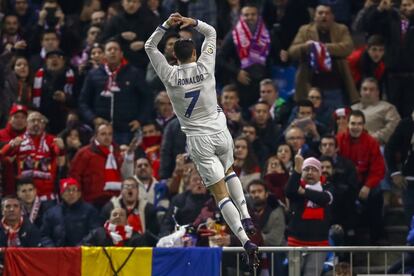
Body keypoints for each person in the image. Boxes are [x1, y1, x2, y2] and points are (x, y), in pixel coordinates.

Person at [145, 13, 259, 268]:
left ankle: (244, 240)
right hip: (219, 131)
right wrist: (191, 21)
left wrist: (166, 25)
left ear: (174, 57)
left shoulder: (170, 76)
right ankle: (247, 216)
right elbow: (212, 33)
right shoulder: (205, 66)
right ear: (194, 53)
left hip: (198, 139)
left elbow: (149, 46)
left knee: (220, 194)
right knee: (230, 172)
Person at [337, 110, 386, 244]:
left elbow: (378, 168)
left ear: (364, 125)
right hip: (346, 182)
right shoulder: (339, 139)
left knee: (376, 192)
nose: (355, 127)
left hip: (365, 182)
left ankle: (377, 237)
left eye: (359, 124)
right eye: (353, 123)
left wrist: (368, 185)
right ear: (348, 124)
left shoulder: (371, 142)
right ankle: (348, 238)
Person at [285, 155, 334, 276]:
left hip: (319, 243)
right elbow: (289, 191)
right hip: (295, 242)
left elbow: (324, 199)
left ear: (320, 173)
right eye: (306, 169)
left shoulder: (328, 187)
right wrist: (296, 170)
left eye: (314, 169)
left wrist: (304, 192)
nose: (310, 172)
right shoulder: (296, 185)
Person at [41, 178, 100, 246]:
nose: (71, 193)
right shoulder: (51, 213)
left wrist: (80, 248)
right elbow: (44, 236)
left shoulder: (90, 211)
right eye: (68, 190)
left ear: (79, 194)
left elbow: (95, 232)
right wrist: (53, 250)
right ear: (62, 194)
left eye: (74, 190)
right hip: (57, 253)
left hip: (82, 253)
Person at [101, 177, 159, 246]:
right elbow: (103, 232)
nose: (130, 188)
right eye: (126, 186)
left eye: (133, 186)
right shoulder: (110, 208)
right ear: (121, 191)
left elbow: (154, 233)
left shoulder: (148, 209)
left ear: (138, 191)